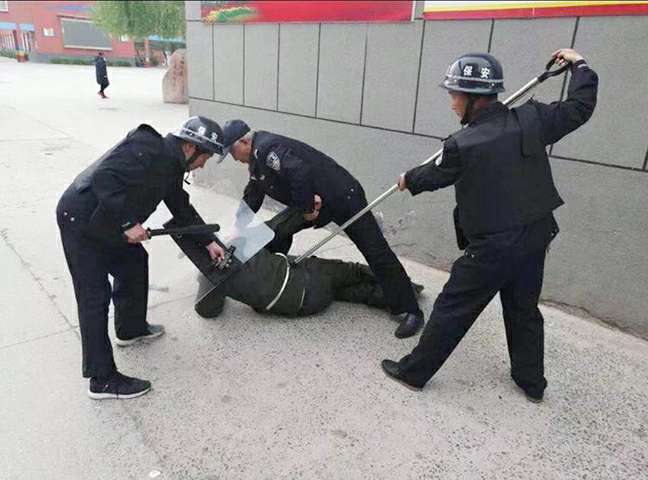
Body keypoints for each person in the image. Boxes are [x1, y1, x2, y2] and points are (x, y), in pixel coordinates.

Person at [381, 49, 598, 403]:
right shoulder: (532, 119)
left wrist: (409, 179)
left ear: (474, 98)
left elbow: (436, 174)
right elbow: (579, 107)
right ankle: (531, 382)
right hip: (536, 234)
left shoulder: (461, 144)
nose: (451, 102)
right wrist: (580, 66)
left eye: (454, 94)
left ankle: (413, 372)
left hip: (494, 247)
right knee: (523, 309)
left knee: (453, 306)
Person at [56, 116, 227, 400]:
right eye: (205, 157)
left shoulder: (171, 166)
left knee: (134, 263)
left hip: (106, 222)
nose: (202, 164)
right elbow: (104, 177)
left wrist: (208, 241)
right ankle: (102, 380)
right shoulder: (148, 146)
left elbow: (181, 207)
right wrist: (128, 223)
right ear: (189, 147)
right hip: (80, 220)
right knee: (94, 297)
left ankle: (130, 328)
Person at [221, 120, 424, 338]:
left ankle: (410, 309)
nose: (234, 158)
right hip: (317, 202)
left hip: (342, 196)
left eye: (232, 152)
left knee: (375, 251)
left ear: (244, 142)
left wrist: (307, 208)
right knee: (277, 231)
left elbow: (299, 171)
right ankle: (275, 280)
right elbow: (253, 193)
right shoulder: (257, 161)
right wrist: (238, 226)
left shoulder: (267, 149)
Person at [182, 208, 423, 319]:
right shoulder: (239, 243)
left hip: (302, 306)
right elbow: (280, 226)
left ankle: (386, 298)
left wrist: (219, 285)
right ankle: (406, 289)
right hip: (307, 278)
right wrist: (311, 211)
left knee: (345, 292)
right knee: (352, 272)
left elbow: (207, 311)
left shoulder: (209, 278)